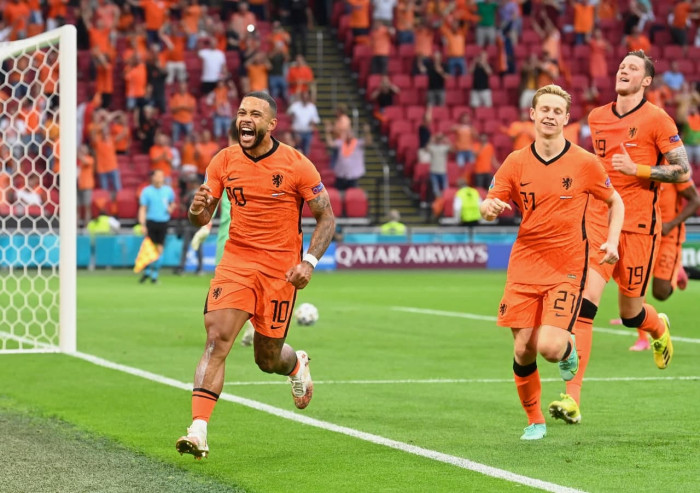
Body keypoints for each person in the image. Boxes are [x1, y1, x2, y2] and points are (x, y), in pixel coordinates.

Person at [175, 92, 336, 459]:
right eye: (241, 112)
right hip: (236, 263)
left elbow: (326, 217)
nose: (245, 119)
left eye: (255, 114)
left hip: (280, 272)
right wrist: (196, 209)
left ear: (271, 124)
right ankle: (198, 430)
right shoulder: (224, 160)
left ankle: (296, 364)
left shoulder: (297, 165)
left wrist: (309, 262)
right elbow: (201, 217)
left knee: (267, 359)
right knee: (216, 340)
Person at [548, 51, 692, 425]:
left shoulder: (657, 119)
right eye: (622, 66)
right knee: (585, 305)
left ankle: (657, 327)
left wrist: (637, 168)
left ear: (646, 81)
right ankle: (572, 398)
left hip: (640, 227)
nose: (623, 70)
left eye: (633, 68)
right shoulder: (597, 117)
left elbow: (682, 171)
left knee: (631, 315)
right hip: (600, 221)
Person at [480, 84, 624, 440]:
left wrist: (612, 240)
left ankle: (569, 348)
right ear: (532, 114)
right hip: (524, 265)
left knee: (549, 348)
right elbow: (488, 205)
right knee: (523, 349)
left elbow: (615, 201)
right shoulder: (516, 162)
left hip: (566, 267)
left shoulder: (584, 162)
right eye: (544, 109)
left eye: (557, 111)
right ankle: (535, 421)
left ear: (566, 118)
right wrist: (489, 208)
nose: (550, 116)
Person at [628, 179, 700, 350]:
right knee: (636, 284)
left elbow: (695, 200)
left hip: (668, 236)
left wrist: (671, 224)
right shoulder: (638, 171)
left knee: (660, 293)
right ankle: (642, 338)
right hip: (644, 233)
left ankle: (678, 272)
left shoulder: (675, 172)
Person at [138, 169, 175, 284]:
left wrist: (171, 208)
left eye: (161, 176)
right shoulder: (147, 191)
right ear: (152, 177)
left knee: (159, 248)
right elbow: (143, 208)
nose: (160, 178)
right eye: (157, 176)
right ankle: (147, 271)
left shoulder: (168, 191)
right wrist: (142, 224)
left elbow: (172, 203)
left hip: (163, 222)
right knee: (149, 248)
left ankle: (154, 275)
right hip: (151, 222)